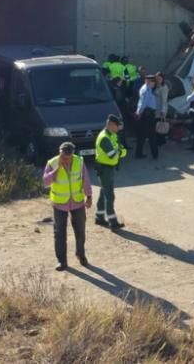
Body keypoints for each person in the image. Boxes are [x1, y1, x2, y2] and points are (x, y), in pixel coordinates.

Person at [42, 142, 93, 271]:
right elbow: (45, 182)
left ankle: (81, 254)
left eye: (68, 156)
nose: (65, 159)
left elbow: (85, 180)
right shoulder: (52, 163)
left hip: (77, 201)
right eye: (63, 156)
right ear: (60, 153)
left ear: (72, 154)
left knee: (80, 231)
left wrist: (89, 196)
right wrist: (57, 169)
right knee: (59, 233)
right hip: (59, 203)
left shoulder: (79, 162)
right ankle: (61, 261)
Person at [95, 114, 127, 229]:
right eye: (117, 126)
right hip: (105, 169)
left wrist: (119, 150)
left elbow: (123, 152)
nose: (118, 128)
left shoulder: (112, 135)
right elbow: (112, 154)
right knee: (110, 196)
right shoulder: (104, 138)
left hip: (109, 168)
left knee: (104, 192)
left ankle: (99, 217)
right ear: (111, 125)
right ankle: (112, 222)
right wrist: (119, 150)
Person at [134, 74, 159, 159]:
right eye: (153, 82)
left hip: (147, 114)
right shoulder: (146, 90)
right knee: (151, 135)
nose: (154, 84)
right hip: (146, 115)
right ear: (148, 81)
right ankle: (155, 154)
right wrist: (139, 113)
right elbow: (142, 103)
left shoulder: (147, 89)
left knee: (142, 135)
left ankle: (139, 153)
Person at [154, 72, 171, 146]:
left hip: (161, 108)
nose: (158, 80)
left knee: (160, 123)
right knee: (157, 124)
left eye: (159, 78)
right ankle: (159, 139)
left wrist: (163, 111)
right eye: (157, 78)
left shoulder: (164, 87)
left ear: (162, 79)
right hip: (156, 108)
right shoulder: (156, 86)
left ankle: (161, 140)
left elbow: (164, 100)